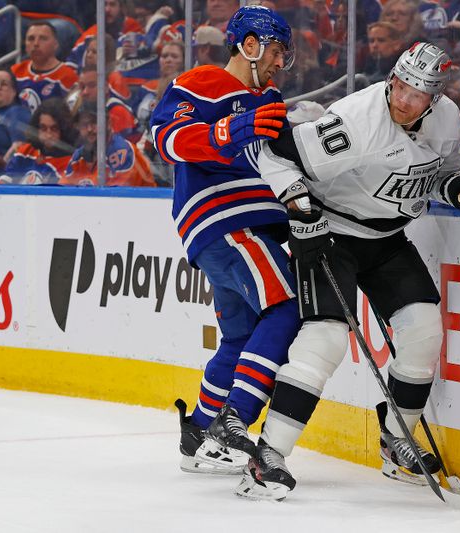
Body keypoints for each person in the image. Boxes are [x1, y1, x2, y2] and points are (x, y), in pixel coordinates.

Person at [236, 42, 460, 500]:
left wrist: (454, 184)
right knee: (325, 339)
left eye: (417, 94)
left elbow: (434, 172)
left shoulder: (448, 120)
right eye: (399, 86)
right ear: (391, 78)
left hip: (387, 238)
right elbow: (272, 153)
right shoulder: (356, 121)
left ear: (435, 98)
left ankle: (396, 441)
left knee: (423, 332)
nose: (403, 100)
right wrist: (299, 207)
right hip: (332, 232)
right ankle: (267, 455)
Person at [150, 5, 302, 476]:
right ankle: (234, 419)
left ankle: (197, 432)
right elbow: (165, 138)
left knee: (241, 335)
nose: (280, 62)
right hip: (227, 220)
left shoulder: (271, 97)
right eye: (275, 50)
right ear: (250, 46)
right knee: (287, 307)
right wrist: (229, 129)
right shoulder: (202, 81)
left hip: (248, 227)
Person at [63, 103, 155, 187]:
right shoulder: (78, 157)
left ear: (108, 123)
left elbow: (116, 195)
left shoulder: (123, 152)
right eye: (84, 124)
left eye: (94, 122)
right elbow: (64, 189)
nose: (89, 129)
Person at [0, 98, 77, 185]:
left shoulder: (71, 163)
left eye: (54, 129)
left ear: (64, 129)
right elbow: (3, 183)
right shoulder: (25, 152)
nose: (48, 135)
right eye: (43, 128)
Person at [12, 22, 80, 114]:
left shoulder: (68, 77)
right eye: (31, 39)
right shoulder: (15, 71)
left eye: (43, 38)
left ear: (56, 44)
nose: (36, 44)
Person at [0, 69, 32, 161]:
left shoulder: (17, 112)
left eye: (4, 84)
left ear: (14, 92)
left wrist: (3, 165)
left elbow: (19, 146)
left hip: (3, 167)